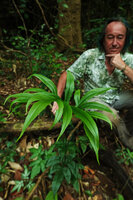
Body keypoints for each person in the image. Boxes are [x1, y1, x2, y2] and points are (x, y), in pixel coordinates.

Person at [52, 17, 133, 150]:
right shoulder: (90, 56)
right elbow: (66, 75)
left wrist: (123, 67)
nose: (114, 43)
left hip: (116, 96)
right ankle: (129, 144)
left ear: (125, 39)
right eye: (110, 37)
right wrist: (57, 99)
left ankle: (130, 128)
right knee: (113, 118)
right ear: (103, 38)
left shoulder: (128, 58)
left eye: (120, 37)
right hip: (94, 100)